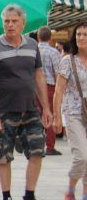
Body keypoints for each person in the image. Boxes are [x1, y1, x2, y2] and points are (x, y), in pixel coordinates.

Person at [0, 4, 52, 200]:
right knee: (4, 155)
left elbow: (39, 77)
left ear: (23, 23)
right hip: (4, 111)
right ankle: (7, 199)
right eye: (6, 21)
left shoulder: (32, 45)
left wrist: (46, 108)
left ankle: (29, 198)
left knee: (37, 151)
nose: (10, 25)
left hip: (30, 109)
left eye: (14, 21)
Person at [52, 21, 87, 200]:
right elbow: (58, 91)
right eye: (79, 34)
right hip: (73, 112)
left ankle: (86, 196)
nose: (81, 38)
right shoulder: (67, 61)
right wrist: (57, 117)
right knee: (82, 156)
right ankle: (70, 190)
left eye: (85, 35)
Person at [38, 26, 64, 156]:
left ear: (38, 37)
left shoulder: (33, 51)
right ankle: (50, 146)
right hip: (49, 86)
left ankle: (34, 144)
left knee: (36, 115)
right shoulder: (53, 52)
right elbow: (58, 72)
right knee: (50, 114)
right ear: (50, 38)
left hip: (33, 87)